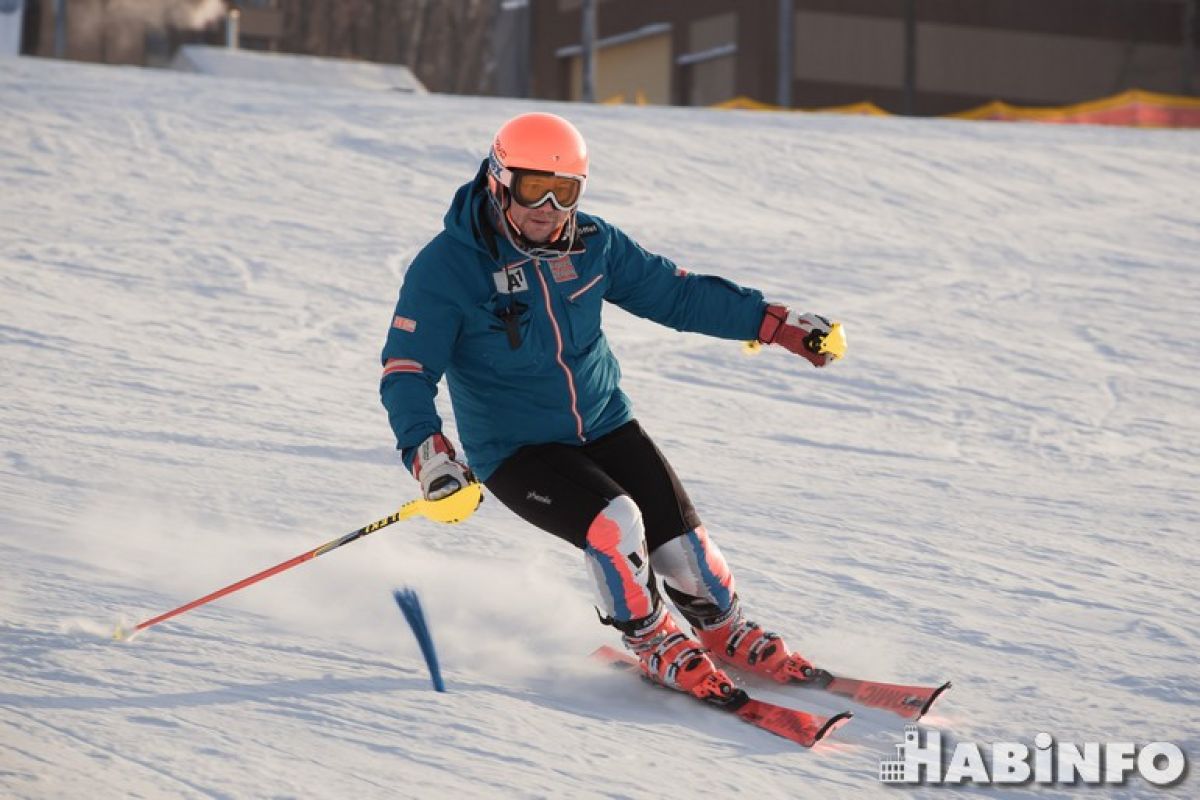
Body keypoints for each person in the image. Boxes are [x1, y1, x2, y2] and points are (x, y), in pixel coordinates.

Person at [380, 112, 842, 703]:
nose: (547, 206)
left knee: (685, 550)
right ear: (498, 181)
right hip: (517, 450)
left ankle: (723, 629)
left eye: (564, 190)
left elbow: (675, 295)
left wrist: (773, 323)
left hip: (603, 422)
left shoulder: (594, 244)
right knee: (615, 523)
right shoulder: (449, 267)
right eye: (531, 189)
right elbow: (407, 369)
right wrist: (430, 455)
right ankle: (650, 638)